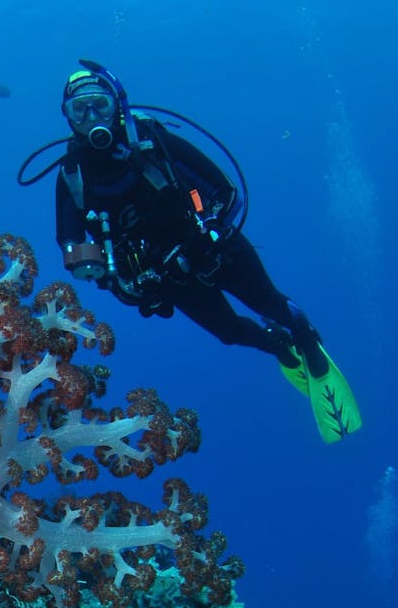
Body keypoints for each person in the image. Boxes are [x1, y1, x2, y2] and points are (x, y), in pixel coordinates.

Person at [46, 60, 360, 441]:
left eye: (100, 104)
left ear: (118, 106)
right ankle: (277, 344)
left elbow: (226, 190)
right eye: (80, 109)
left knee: (271, 304)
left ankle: (303, 334)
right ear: (68, 117)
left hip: (215, 253)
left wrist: (200, 239)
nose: (92, 116)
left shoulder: (151, 141)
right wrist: (121, 283)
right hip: (168, 279)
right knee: (229, 332)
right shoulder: (72, 176)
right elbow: (73, 249)